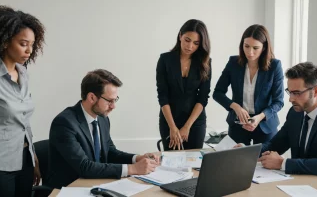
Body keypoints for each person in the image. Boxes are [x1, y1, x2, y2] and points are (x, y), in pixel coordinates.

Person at [47, 69, 160, 189]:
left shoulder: (102, 119)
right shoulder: (65, 123)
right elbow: (84, 167)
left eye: (115, 100)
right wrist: (132, 169)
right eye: (109, 101)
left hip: (96, 184)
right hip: (69, 189)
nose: (113, 106)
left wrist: (137, 158)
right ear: (91, 97)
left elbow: (110, 152)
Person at [0, 5, 45, 197]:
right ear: (5, 41)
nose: (29, 50)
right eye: (24, 44)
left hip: (23, 161)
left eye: (32, 44)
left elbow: (23, 120)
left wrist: (33, 158)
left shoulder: (23, 73)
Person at [213, 24, 284, 145]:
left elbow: (279, 102)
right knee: (235, 162)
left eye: (255, 48)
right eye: (246, 46)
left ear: (264, 47)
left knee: (265, 161)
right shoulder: (233, 63)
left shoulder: (275, 66)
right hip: (238, 123)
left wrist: (260, 117)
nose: (250, 52)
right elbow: (217, 93)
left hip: (265, 124)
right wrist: (235, 107)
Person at [256, 62, 317, 180]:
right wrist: (246, 151)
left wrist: (282, 163)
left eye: (297, 93)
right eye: (289, 92)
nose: (291, 99)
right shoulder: (295, 113)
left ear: (316, 91)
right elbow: (275, 145)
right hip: (297, 183)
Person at [156, 19, 212, 151]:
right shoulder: (165, 60)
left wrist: (187, 126)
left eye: (196, 43)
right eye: (187, 40)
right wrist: (172, 127)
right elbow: (162, 96)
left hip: (195, 122)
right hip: (169, 120)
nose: (190, 46)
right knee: (172, 162)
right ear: (180, 35)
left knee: (194, 162)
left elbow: (203, 98)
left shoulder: (205, 62)